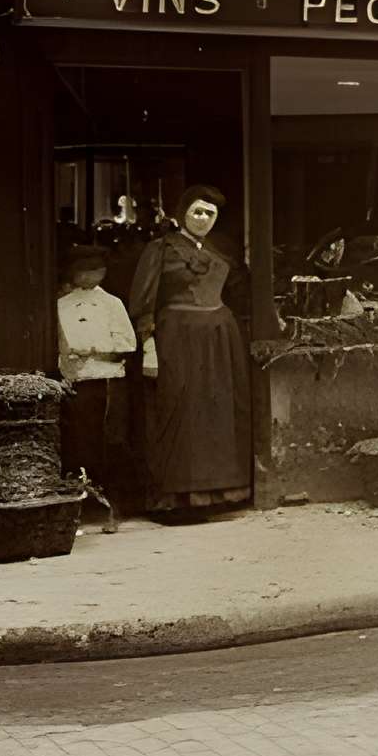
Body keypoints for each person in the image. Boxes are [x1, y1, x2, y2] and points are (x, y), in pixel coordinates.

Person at [127, 185, 255, 513]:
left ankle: (221, 493)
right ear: (183, 212)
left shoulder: (220, 250)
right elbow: (144, 302)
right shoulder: (160, 250)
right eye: (197, 211)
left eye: (210, 214)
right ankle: (178, 496)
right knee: (180, 410)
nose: (202, 219)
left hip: (219, 340)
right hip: (177, 339)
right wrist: (149, 346)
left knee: (218, 411)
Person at [55, 246, 137, 527]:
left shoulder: (112, 304)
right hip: (76, 381)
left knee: (112, 441)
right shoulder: (61, 304)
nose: (88, 276)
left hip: (109, 379)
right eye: (82, 270)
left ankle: (116, 505)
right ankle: (83, 506)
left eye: (94, 270)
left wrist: (94, 349)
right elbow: (60, 345)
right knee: (80, 443)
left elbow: (128, 343)